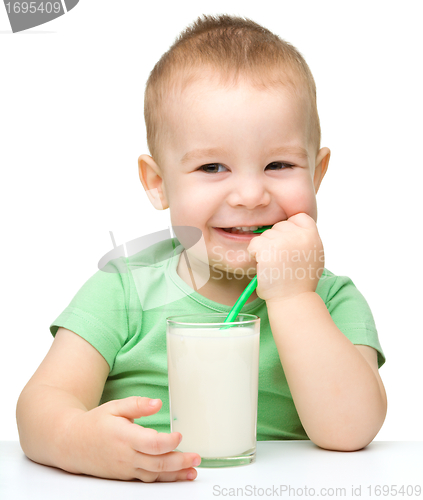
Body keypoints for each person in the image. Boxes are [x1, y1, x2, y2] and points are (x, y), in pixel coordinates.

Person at [16, 14, 387, 483]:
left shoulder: (331, 300)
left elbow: (351, 431)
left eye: (279, 164)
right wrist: (76, 438)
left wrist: (294, 297)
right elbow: (40, 404)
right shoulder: (125, 291)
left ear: (317, 173)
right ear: (158, 183)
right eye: (213, 167)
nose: (250, 195)